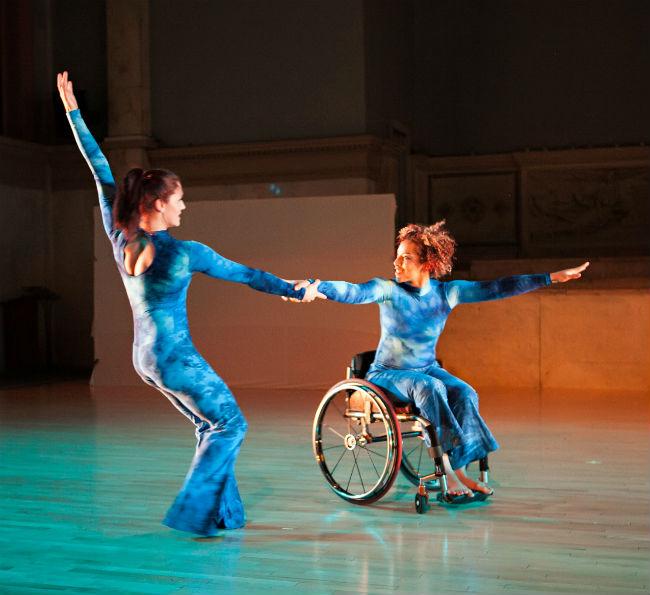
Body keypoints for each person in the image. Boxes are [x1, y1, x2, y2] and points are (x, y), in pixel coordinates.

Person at [57, 71, 320, 535]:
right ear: (157, 202)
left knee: (209, 426)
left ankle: (225, 514)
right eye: (179, 199)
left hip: (145, 358)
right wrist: (294, 289)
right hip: (175, 358)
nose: (184, 206)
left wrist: (73, 112)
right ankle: (192, 514)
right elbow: (247, 275)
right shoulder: (184, 253)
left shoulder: (119, 235)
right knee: (230, 425)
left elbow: (99, 167)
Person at [297, 222, 588, 501]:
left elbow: (497, 287)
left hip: (425, 369)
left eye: (406, 258)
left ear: (428, 263)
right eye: (396, 258)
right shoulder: (388, 290)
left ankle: (459, 470)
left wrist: (550, 277)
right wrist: (318, 286)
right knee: (430, 389)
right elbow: (353, 291)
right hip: (387, 374)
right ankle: (448, 474)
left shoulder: (447, 293)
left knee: (465, 392)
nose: (397, 264)